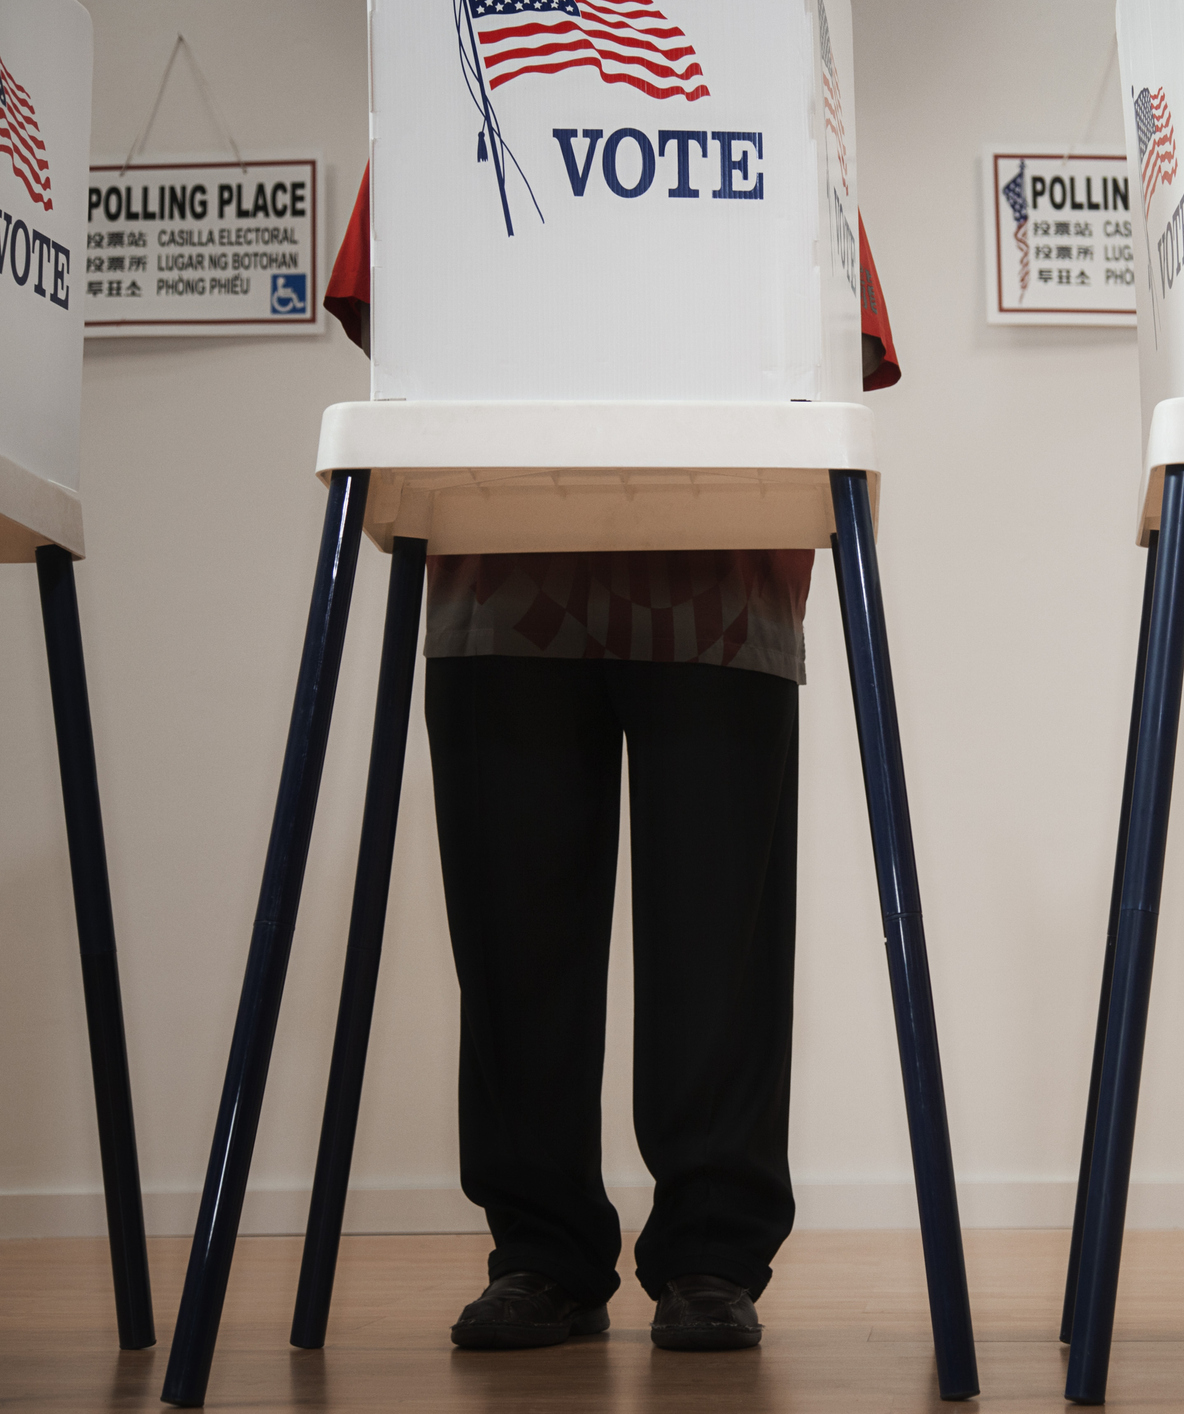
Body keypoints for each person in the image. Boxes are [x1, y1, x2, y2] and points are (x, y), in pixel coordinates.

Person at [323, 170, 901, 1352]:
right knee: (515, 933)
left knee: (714, 944)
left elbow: (845, 328)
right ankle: (542, 1248)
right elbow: (387, 308)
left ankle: (710, 1253)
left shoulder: (752, 76)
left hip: (718, 563)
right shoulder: (468, 63)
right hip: (506, 558)